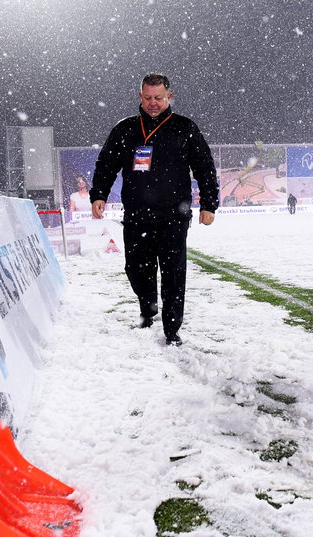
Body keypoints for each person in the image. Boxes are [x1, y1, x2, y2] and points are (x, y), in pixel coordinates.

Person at [90, 73, 219, 346]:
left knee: (173, 272)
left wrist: (209, 204)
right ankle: (148, 311)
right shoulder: (125, 129)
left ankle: (172, 329)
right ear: (140, 96)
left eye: (158, 98)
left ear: (169, 97)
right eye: (147, 97)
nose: (153, 103)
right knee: (136, 268)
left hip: (174, 215)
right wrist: (98, 194)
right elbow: (106, 165)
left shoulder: (184, 128)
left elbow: (205, 168)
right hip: (137, 215)